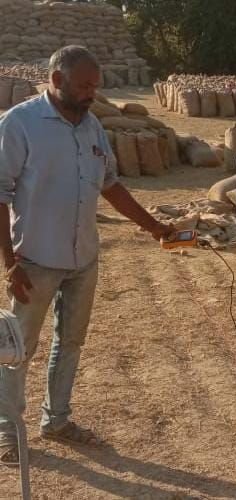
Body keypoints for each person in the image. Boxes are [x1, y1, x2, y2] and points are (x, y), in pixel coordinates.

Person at [0, 45, 175, 466]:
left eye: (94, 86)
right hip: (34, 260)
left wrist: (153, 226)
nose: (90, 94)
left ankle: (57, 420)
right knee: (17, 348)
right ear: (56, 80)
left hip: (83, 258)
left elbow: (109, 185)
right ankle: (6, 430)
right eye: (83, 86)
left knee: (71, 342)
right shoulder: (19, 124)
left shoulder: (92, 125)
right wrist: (9, 263)